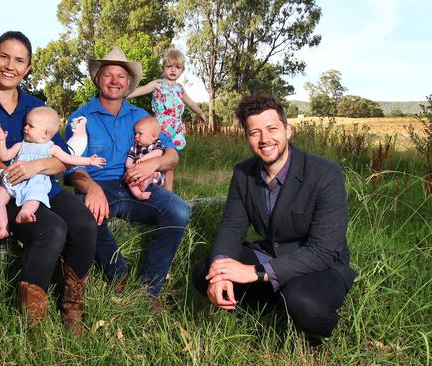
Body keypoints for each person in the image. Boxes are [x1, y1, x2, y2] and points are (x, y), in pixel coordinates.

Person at [192, 93, 357, 343]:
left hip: (320, 264)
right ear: (247, 137)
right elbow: (231, 228)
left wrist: (255, 272)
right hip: (271, 253)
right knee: (205, 271)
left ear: (288, 130)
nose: (264, 139)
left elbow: (324, 250)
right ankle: (275, 304)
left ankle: (314, 323)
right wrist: (221, 271)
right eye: (254, 132)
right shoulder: (243, 173)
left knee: (305, 305)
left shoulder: (325, 174)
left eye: (271, 129)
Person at [0, 31, 96, 335]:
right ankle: (32, 322)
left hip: (40, 185)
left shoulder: (36, 106)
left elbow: (63, 158)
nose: (10, 65)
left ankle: (72, 310)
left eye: (19, 60)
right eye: (4, 56)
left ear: (28, 67)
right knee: (52, 228)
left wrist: (36, 165)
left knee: (85, 225)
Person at [65, 46, 190, 306]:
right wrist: (91, 189)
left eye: (121, 76)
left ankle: (149, 290)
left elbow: (173, 155)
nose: (114, 81)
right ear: (97, 79)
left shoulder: (141, 117)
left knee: (178, 211)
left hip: (137, 186)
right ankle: (118, 275)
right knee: (82, 212)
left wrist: (153, 164)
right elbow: (72, 169)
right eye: (108, 74)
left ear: (130, 82)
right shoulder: (80, 118)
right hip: (99, 187)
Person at [0, 106, 106, 239]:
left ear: (46, 133)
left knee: (33, 199)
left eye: (30, 126)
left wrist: (89, 161)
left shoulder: (52, 148)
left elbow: (70, 159)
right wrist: (1, 141)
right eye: (25, 124)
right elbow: (4, 156)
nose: (25, 128)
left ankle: (25, 213)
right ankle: (3, 228)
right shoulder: (21, 145)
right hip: (14, 179)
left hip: (35, 183)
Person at [127, 48, 207, 191]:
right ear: (163, 67)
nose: (173, 70)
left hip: (175, 129)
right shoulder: (157, 84)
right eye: (169, 66)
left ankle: (168, 192)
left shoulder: (180, 89)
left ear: (182, 70)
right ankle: (145, 184)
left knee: (170, 163)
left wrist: (200, 112)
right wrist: (124, 95)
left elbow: (190, 102)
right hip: (161, 127)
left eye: (177, 67)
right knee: (152, 156)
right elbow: (141, 90)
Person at [126, 116, 166, 200]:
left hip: (154, 177)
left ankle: (145, 183)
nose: (136, 136)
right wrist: (129, 166)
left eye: (140, 133)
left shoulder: (156, 144)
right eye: (136, 133)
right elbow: (130, 157)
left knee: (152, 172)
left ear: (153, 137)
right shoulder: (135, 147)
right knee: (128, 177)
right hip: (138, 174)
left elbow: (159, 152)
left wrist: (143, 159)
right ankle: (139, 194)